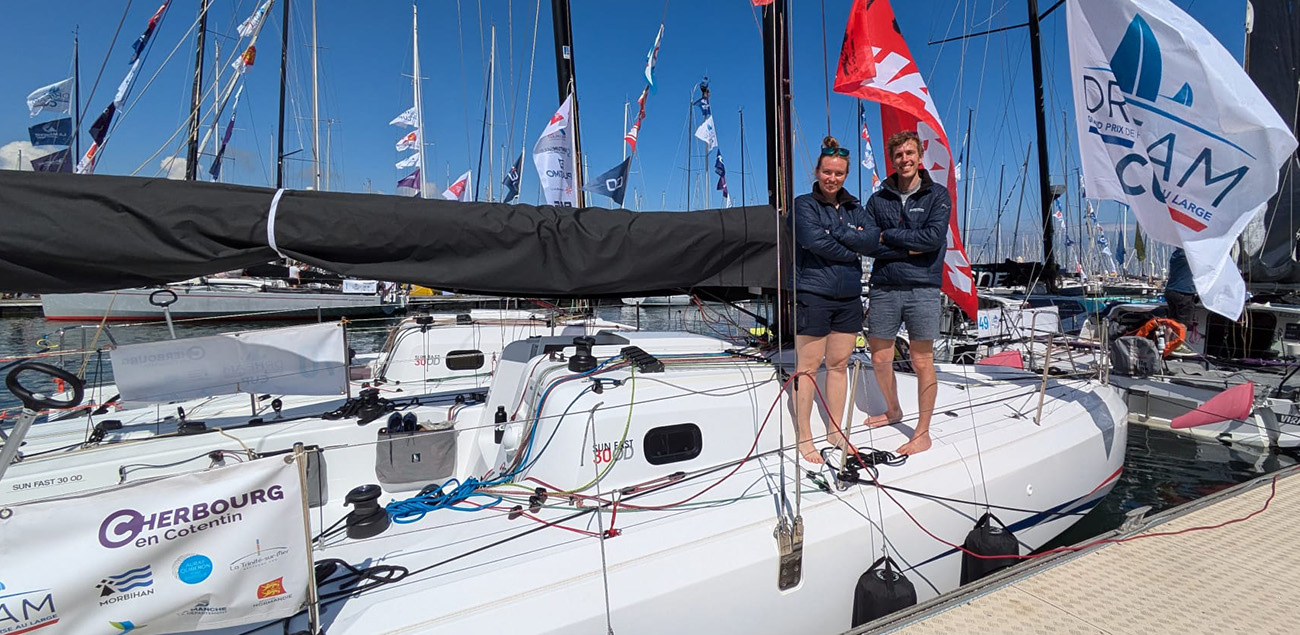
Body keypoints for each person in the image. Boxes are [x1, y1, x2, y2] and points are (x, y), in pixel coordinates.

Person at [831, 131, 949, 455]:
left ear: (920, 156)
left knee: (922, 361)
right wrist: (903, 245)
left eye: (910, 153)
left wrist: (889, 238)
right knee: (880, 357)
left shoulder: (937, 196)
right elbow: (869, 243)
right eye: (898, 155)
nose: (905, 159)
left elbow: (932, 241)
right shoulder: (877, 200)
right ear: (892, 160)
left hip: (923, 287)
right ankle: (894, 409)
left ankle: (922, 433)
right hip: (884, 286)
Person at [790, 136, 868, 464]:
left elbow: (871, 238)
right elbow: (812, 241)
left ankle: (835, 431)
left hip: (849, 296)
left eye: (838, 173)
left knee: (838, 366)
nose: (832, 178)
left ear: (845, 175)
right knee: (807, 368)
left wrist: (843, 239)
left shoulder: (854, 207)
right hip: (814, 294)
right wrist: (851, 244)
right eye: (827, 172)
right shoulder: (803, 205)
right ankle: (804, 437)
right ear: (818, 171)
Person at [1165, 248, 1196, 329]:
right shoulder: (1190, 255)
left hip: (1171, 289)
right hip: (1184, 291)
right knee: (1183, 323)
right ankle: (1179, 341)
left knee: (1171, 321)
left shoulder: (1175, 255)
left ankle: (1168, 341)